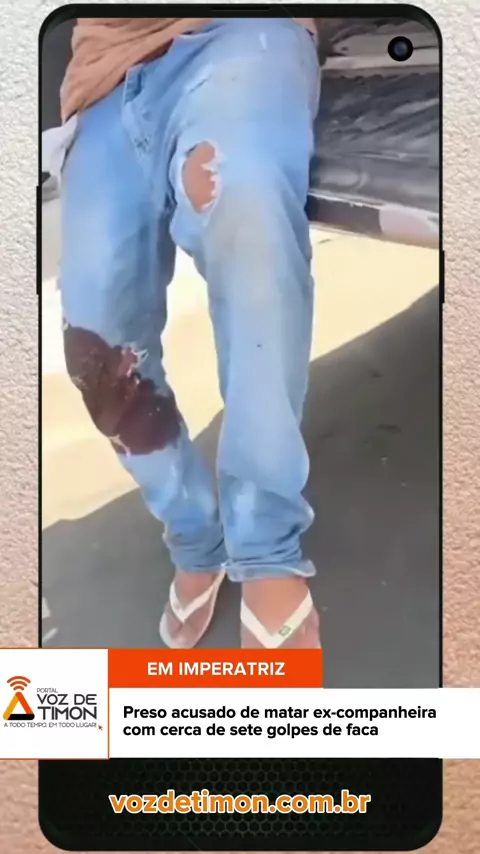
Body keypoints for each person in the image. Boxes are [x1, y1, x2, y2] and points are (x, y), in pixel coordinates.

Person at [57, 16, 322, 650]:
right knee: (94, 341)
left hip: (238, 30)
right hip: (102, 75)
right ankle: (195, 534)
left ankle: (267, 548)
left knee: (247, 218)